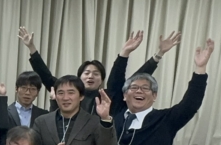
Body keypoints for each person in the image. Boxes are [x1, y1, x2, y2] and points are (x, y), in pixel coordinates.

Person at [18, 28, 179, 115]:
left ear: (101, 80)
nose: (90, 76)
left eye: (96, 74)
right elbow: (45, 76)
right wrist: (32, 48)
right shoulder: (68, 92)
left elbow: (133, 78)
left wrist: (157, 55)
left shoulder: (108, 96)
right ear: (79, 77)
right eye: (86, 73)